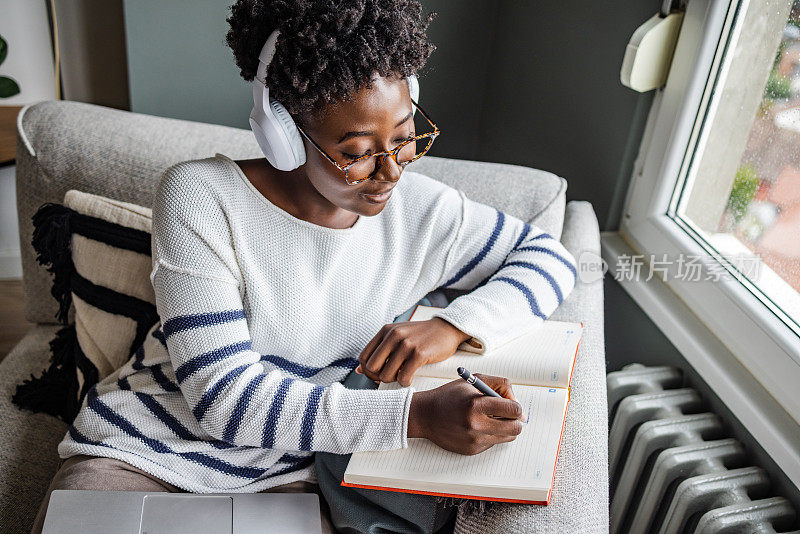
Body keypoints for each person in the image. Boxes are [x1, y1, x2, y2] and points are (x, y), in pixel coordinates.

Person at [30, 1, 578, 533]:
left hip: (289, 473)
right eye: (358, 151)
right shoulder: (201, 196)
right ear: (285, 134)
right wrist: (417, 416)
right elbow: (225, 399)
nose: (390, 172)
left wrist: (453, 326)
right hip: (145, 451)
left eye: (405, 137)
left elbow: (549, 258)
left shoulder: (424, 211)